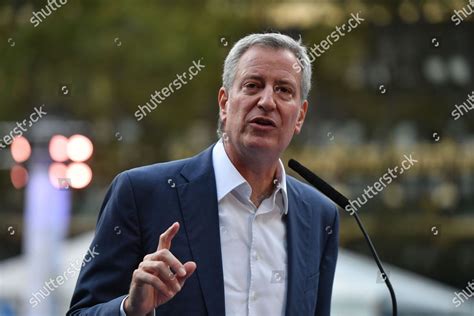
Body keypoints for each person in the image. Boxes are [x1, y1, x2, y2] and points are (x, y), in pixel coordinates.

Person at [67, 32, 339, 316]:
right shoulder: (141, 193)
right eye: (252, 85)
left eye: (284, 90)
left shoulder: (319, 215)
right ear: (224, 103)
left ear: (300, 116)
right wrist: (129, 309)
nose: (267, 101)